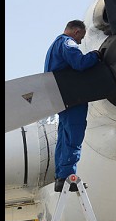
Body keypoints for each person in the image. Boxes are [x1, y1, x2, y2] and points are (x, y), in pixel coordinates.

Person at [44, 20, 102, 192]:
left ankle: (61, 177)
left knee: (64, 137)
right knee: (73, 137)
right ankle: (69, 178)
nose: (80, 42)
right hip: (73, 98)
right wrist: (96, 56)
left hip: (60, 98)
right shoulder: (67, 43)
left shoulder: (55, 45)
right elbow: (80, 63)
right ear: (76, 32)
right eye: (81, 38)